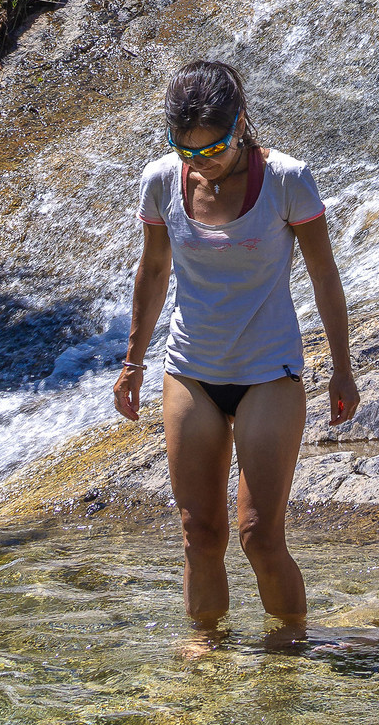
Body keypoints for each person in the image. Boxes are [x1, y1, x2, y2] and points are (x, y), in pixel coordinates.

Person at [114, 59, 359, 638]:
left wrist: (342, 370)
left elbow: (325, 275)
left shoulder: (286, 180)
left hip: (267, 374)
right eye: (187, 150)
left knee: (258, 536)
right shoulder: (160, 180)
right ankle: (207, 649)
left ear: (241, 124)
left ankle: (291, 643)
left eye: (215, 148)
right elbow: (152, 271)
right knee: (199, 532)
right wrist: (132, 362)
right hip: (190, 370)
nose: (201, 163)